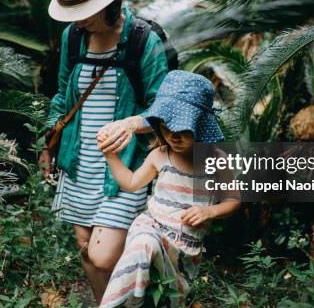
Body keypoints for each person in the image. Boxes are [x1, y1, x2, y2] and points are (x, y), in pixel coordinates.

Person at [38, 0, 169, 304]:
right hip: (79, 164)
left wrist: (131, 123)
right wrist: (48, 144)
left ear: (108, 2)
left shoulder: (144, 41)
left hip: (122, 167)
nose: (77, 21)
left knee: (102, 254)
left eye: (83, 13)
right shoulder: (74, 38)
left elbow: (163, 105)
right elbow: (64, 94)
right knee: (84, 247)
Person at [97, 70, 242, 308]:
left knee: (169, 299)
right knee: (143, 245)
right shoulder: (160, 155)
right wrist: (110, 155)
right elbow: (132, 183)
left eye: (183, 130)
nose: (173, 136)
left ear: (201, 125)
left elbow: (233, 200)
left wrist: (209, 212)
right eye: (166, 127)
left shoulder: (217, 159)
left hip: (184, 249)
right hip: (152, 227)